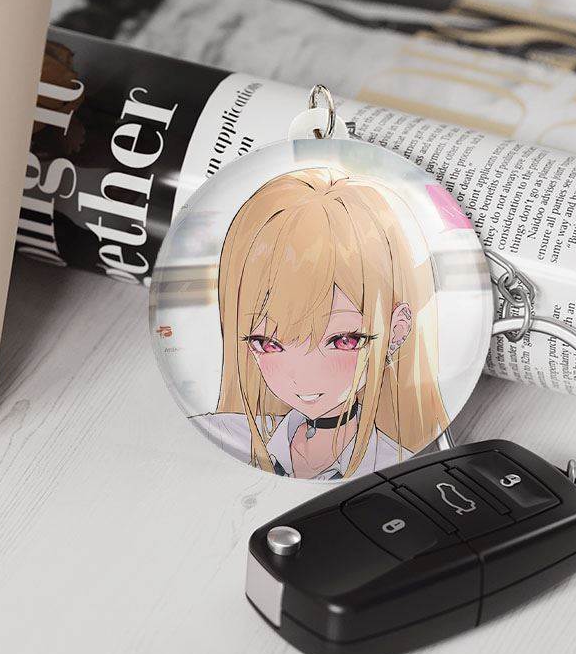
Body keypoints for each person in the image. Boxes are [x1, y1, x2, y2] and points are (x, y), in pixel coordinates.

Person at [192, 166, 449, 482]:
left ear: (396, 331)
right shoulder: (220, 435)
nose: (304, 375)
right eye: (269, 344)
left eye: (344, 340)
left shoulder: (396, 464)